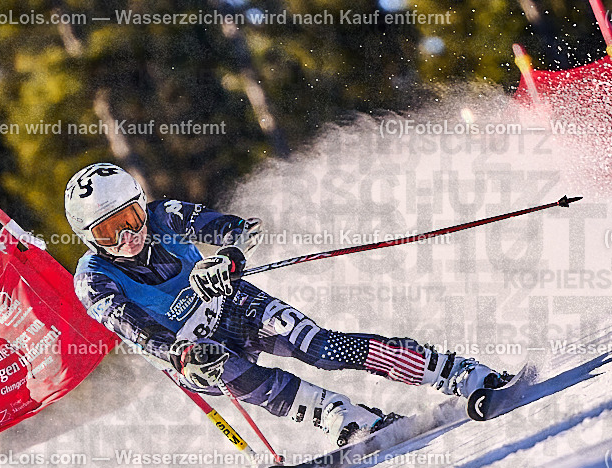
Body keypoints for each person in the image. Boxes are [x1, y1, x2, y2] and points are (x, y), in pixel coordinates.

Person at [67, 163, 509, 446]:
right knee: (249, 380)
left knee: (320, 347)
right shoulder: (93, 280)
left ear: (142, 208)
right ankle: (345, 418)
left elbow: (238, 228)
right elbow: (133, 326)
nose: (128, 237)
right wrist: (180, 354)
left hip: (236, 307)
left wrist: (228, 259)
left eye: (130, 219)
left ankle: (452, 371)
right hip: (193, 354)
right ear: (89, 239)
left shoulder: (165, 216)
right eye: (109, 232)